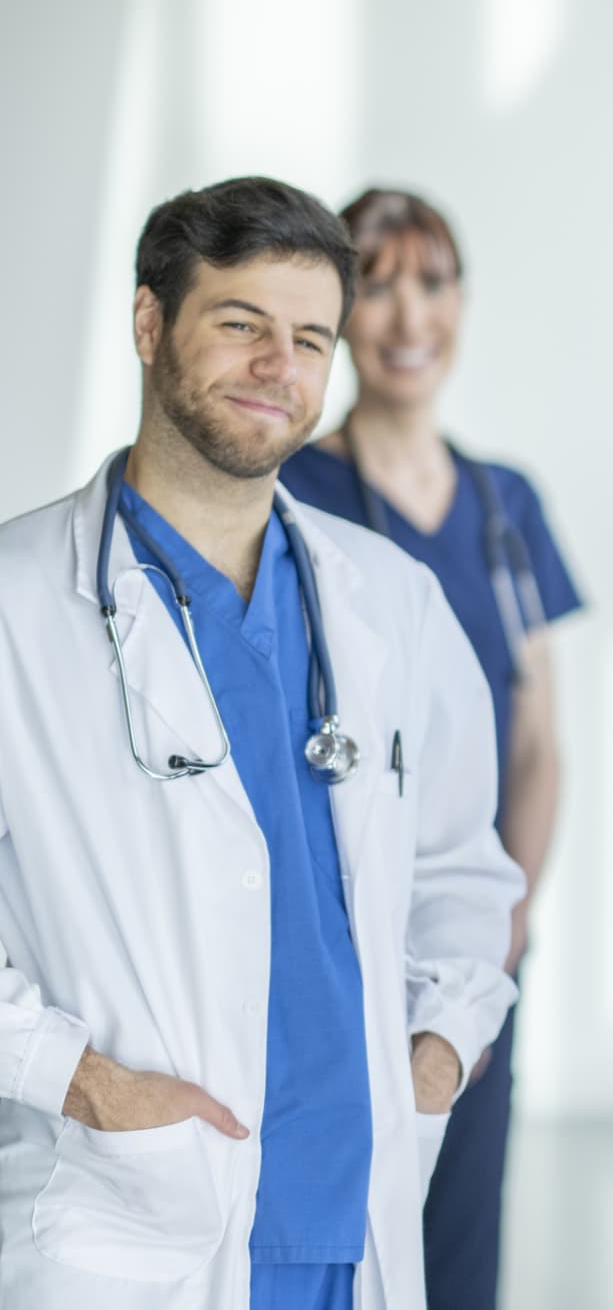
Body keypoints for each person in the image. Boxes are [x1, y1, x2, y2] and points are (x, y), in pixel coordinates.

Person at [0, 177, 519, 1310]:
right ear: (150, 324)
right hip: (128, 1216)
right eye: (239, 324)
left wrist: (434, 1057)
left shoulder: (391, 600)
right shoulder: (15, 602)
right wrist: (78, 1083)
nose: (277, 366)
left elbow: (461, 873)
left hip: (353, 1206)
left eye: (308, 338)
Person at [279, 188, 583, 1310]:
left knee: (458, 1245)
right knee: (329, 1232)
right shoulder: (291, 492)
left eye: (434, 280)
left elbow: (540, 738)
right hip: (334, 942)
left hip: (474, 946)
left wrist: (498, 934)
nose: (409, 313)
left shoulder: (506, 504)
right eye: (377, 280)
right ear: (342, 310)